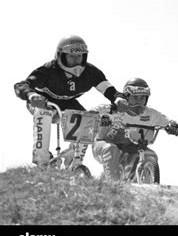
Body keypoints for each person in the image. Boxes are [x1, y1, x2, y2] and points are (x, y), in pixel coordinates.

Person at [14, 35, 128, 167]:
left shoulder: (91, 72)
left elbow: (108, 90)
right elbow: (21, 85)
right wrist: (32, 95)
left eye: (79, 56)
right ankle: (42, 161)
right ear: (61, 56)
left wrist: (118, 99)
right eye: (72, 56)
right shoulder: (48, 70)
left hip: (67, 103)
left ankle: (73, 162)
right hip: (43, 102)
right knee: (43, 113)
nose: (76, 61)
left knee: (88, 121)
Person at [91, 78, 178, 182]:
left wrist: (172, 126)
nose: (139, 101)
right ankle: (113, 186)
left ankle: (144, 187)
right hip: (103, 145)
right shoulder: (114, 109)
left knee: (151, 155)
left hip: (132, 149)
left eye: (142, 98)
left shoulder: (151, 114)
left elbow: (167, 121)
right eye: (135, 97)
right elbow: (93, 111)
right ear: (126, 97)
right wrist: (101, 117)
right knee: (111, 149)